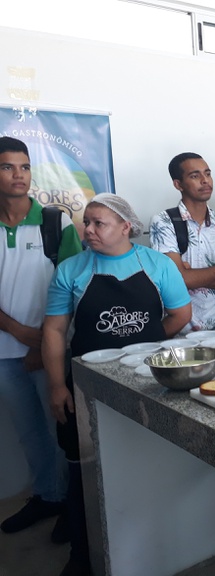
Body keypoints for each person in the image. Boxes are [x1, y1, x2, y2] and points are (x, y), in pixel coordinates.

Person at [43, 194, 191, 576]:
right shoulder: (71, 270)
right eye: (87, 222)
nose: (88, 230)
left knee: (143, 460)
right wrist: (57, 385)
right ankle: (82, 552)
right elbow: (55, 330)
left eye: (99, 223)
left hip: (146, 381)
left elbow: (180, 314)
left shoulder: (157, 264)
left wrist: (144, 347)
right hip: (86, 386)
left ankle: (145, 550)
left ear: (126, 227)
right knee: (84, 468)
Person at [0, 137, 81, 541]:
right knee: (29, 432)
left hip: (51, 350)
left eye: (25, 167)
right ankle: (49, 495)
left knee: (63, 430)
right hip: (5, 353)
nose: (19, 175)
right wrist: (19, 333)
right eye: (8, 167)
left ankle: (74, 506)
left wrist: (45, 347)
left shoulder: (55, 223)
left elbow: (75, 287)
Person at [150, 153, 215, 333]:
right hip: (181, 332)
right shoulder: (164, 222)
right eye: (195, 176)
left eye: (208, 174)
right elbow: (180, 279)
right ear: (178, 184)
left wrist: (193, 278)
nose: (205, 180)